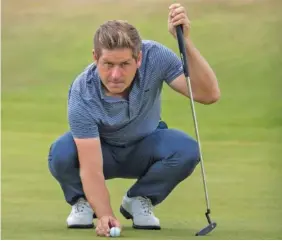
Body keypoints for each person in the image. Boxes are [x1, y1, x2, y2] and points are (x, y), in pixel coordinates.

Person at [48, 3, 220, 237]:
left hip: (145, 145)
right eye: (108, 64)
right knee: (61, 152)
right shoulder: (82, 92)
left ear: (138, 59)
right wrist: (106, 214)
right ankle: (85, 202)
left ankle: (139, 198)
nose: (116, 75)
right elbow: (91, 169)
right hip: (102, 150)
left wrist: (185, 42)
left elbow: (208, 94)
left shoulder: (155, 57)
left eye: (124, 64)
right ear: (95, 58)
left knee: (187, 149)